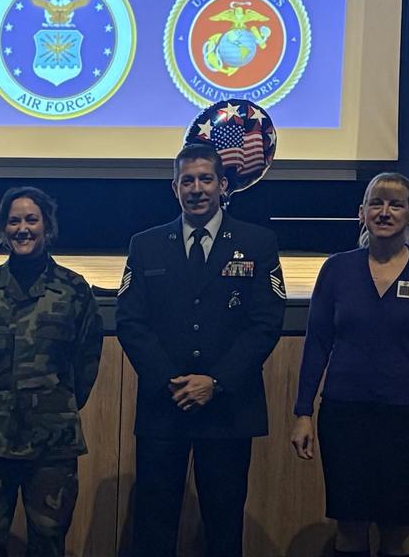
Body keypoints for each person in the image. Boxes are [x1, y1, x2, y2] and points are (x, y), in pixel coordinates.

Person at [116, 141, 286, 557]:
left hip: (228, 408)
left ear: (223, 184)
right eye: (187, 180)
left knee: (224, 524)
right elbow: (130, 322)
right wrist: (172, 381)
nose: (196, 188)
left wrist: (216, 382)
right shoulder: (146, 245)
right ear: (174, 188)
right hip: (164, 404)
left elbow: (265, 324)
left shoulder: (258, 243)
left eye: (205, 179)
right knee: (154, 525)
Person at [291, 173, 409, 557]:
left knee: (399, 533)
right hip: (345, 418)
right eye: (376, 203)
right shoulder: (336, 270)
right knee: (349, 530)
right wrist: (303, 412)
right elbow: (317, 343)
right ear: (361, 213)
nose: (385, 212)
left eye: (395, 204)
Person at [0, 186, 102, 557]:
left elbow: (87, 360)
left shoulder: (73, 290)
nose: (23, 228)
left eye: (31, 220)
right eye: (14, 220)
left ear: (46, 226)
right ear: (2, 229)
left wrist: (57, 406)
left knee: (49, 542)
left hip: (52, 444)